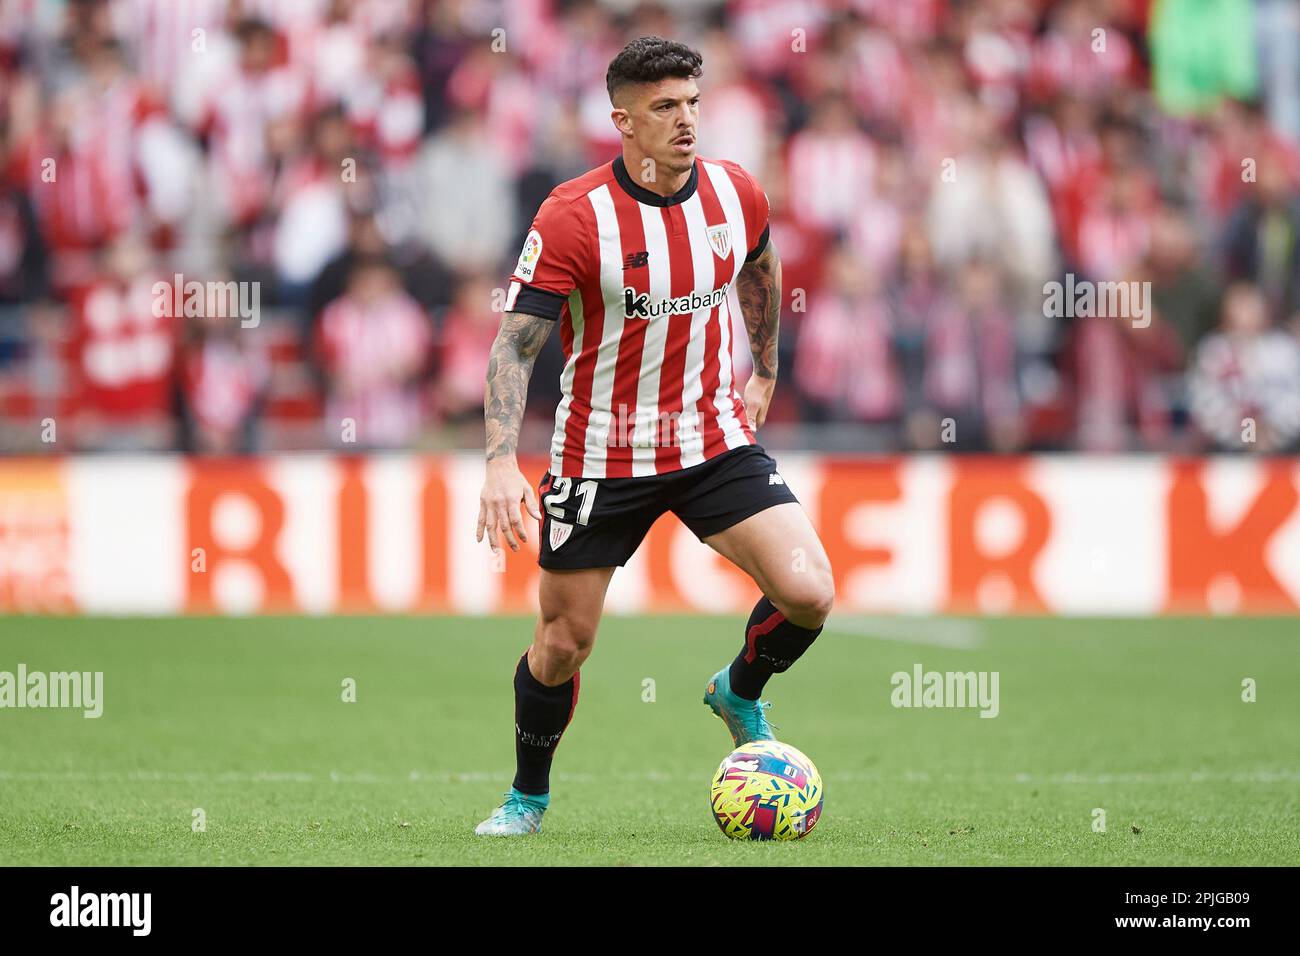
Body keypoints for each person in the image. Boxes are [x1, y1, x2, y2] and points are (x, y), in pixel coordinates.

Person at [474, 36, 835, 836]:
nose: (686, 121)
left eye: (693, 104)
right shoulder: (574, 216)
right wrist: (500, 461)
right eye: (666, 107)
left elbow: (760, 268)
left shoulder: (736, 192)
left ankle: (739, 690)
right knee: (564, 643)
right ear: (623, 122)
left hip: (710, 436)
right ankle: (528, 796)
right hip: (600, 452)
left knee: (809, 590)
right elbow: (515, 344)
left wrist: (766, 368)